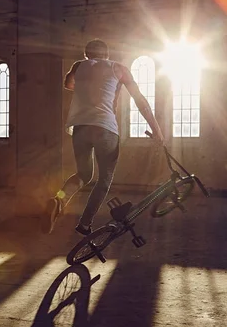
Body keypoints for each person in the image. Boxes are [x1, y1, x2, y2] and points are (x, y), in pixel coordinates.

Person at [42, 39, 164, 235]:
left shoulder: (79, 65)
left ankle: (59, 200)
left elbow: (68, 84)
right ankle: (85, 224)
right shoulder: (119, 68)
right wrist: (156, 130)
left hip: (80, 128)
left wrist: (87, 84)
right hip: (105, 128)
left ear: (87, 55)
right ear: (107, 55)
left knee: (83, 174)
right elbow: (140, 100)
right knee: (104, 179)